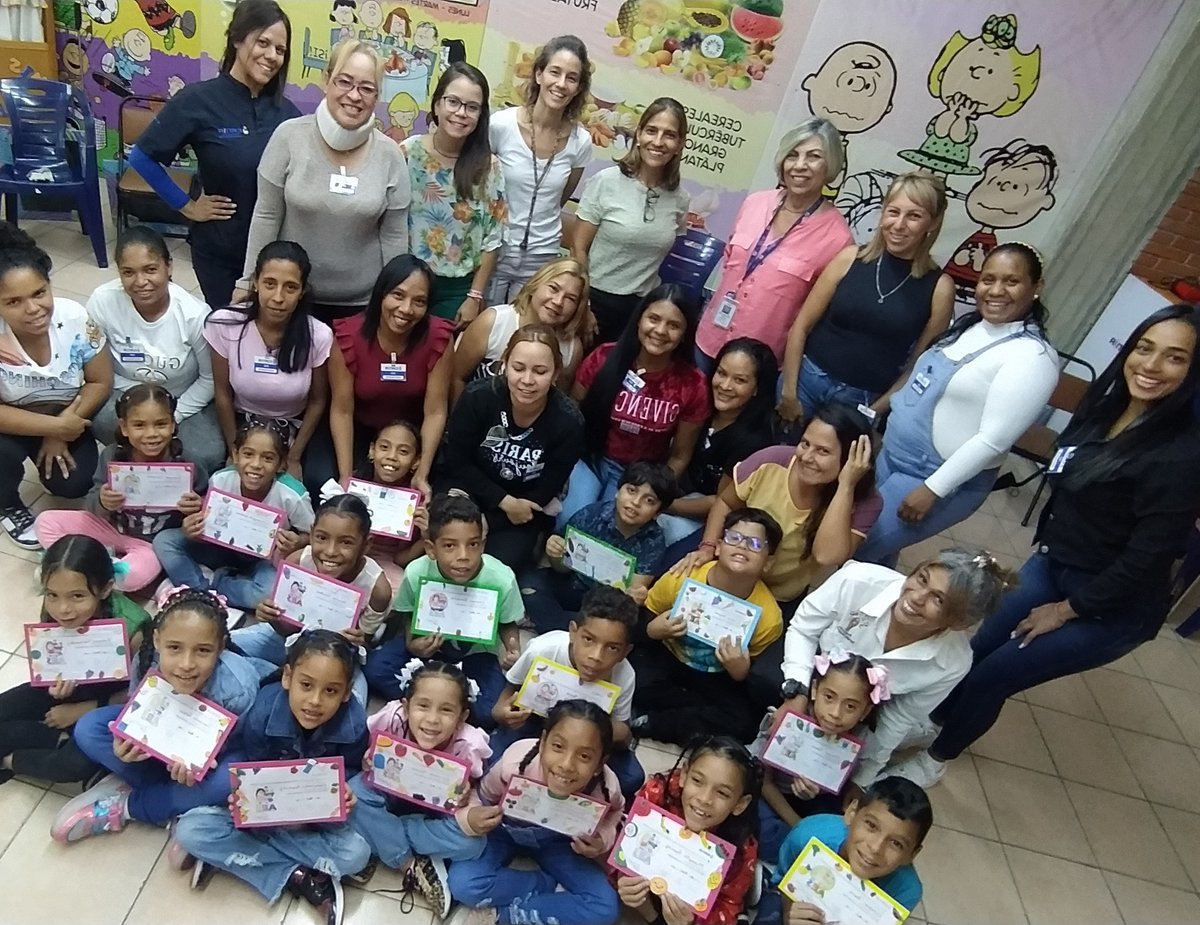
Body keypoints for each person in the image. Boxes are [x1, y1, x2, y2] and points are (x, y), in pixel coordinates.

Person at [894, 305, 1200, 787]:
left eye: (1175, 358)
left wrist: (1066, 610)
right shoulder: (1107, 408)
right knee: (978, 647)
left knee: (1000, 672)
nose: (1151, 365)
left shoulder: (1180, 457)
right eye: (1145, 348)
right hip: (1058, 563)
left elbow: (1144, 561)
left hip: (1111, 604)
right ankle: (933, 718)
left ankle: (936, 758)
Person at [855, 243, 1059, 566]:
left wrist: (933, 489)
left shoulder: (1032, 358)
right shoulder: (969, 328)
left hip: (932, 478)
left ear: (1037, 288)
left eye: (1011, 281)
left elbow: (994, 441)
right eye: (988, 279)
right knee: (876, 554)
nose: (996, 290)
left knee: (857, 545)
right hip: (893, 457)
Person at [172, 631, 370, 924]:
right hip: (268, 815)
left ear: (345, 693)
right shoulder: (262, 714)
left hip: (313, 819)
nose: (315, 701)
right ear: (287, 678)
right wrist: (244, 799)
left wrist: (346, 791)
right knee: (190, 830)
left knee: (358, 854)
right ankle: (299, 876)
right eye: (306, 685)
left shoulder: (353, 725)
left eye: (330, 691)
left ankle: (236, 858)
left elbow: (352, 770)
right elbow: (254, 770)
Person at [778, 549, 1016, 791]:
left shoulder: (953, 662)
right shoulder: (859, 580)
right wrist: (796, 690)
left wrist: (863, 778)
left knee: (839, 770)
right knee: (765, 683)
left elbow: (897, 718)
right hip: (812, 666)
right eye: (922, 578)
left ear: (959, 623)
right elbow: (803, 629)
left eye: (939, 600)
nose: (917, 597)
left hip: (864, 704)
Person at [53, 587, 261, 843]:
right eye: (174, 648)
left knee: (230, 778)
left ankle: (130, 806)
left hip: (218, 756)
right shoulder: (146, 660)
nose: (186, 664)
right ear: (157, 640)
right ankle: (178, 802)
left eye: (203, 651)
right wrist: (127, 747)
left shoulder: (238, 686)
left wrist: (201, 763)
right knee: (88, 727)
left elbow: (244, 742)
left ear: (220, 648)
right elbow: (137, 711)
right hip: (163, 749)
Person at [127, 0, 300, 306]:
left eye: (281, 50)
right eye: (263, 43)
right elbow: (142, 157)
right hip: (222, 254)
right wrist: (187, 206)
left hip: (274, 260)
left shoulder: (287, 113)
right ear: (237, 39)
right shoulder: (199, 100)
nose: (272, 56)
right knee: (229, 336)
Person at [240, 40, 410, 323]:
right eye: (345, 82)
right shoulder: (288, 137)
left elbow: (394, 236)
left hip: (362, 305)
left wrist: (392, 298)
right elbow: (266, 215)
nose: (354, 96)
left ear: (377, 96)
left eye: (367, 88)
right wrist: (248, 282)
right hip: (290, 300)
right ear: (326, 81)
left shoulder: (390, 154)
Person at [778, 173, 954, 422]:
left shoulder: (940, 288)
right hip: (805, 383)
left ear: (933, 223)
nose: (899, 224)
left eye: (914, 216)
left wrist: (874, 411)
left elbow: (918, 365)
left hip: (860, 400)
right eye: (893, 212)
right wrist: (788, 391)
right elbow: (801, 326)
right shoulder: (848, 259)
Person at [671, 404, 878, 608]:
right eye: (805, 443)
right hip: (727, 569)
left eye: (822, 451)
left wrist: (846, 486)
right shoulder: (771, 459)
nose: (806, 457)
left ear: (852, 459)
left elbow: (826, 556)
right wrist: (707, 547)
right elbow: (725, 502)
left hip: (777, 595)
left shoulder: (865, 501)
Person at [448, 700, 624, 925]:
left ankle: (505, 916)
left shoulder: (607, 787)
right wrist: (474, 814)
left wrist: (602, 840)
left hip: (560, 841)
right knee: (464, 884)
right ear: (542, 744)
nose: (567, 765)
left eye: (585, 757)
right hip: (504, 830)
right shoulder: (517, 762)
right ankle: (548, 886)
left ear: (601, 763)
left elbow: (616, 812)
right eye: (558, 747)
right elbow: (482, 793)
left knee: (606, 907)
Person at [695, 119, 854, 367]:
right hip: (708, 340)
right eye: (792, 155)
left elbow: (817, 313)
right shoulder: (755, 202)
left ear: (830, 165)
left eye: (813, 157)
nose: (800, 166)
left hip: (760, 362)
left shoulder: (838, 238)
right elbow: (729, 261)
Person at [349, 659, 497, 918]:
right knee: (353, 794)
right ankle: (409, 863)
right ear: (406, 707)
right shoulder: (391, 718)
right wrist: (368, 761)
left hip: (435, 808)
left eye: (446, 710)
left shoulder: (469, 743)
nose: (432, 720)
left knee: (473, 844)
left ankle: (384, 838)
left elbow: (470, 790)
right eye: (423, 706)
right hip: (391, 795)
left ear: (462, 717)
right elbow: (368, 760)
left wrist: (465, 797)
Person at [0, 536, 149, 786]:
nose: (63, 609)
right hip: (71, 688)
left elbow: (140, 694)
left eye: (77, 596)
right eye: (52, 595)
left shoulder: (134, 628)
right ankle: (56, 739)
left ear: (105, 588)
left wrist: (83, 709)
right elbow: (51, 662)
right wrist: (53, 684)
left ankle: (9, 761)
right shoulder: (55, 610)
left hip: (111, 702)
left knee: (71, 766)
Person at [362, 493, 522, 725]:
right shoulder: (417, 572)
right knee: (375, 669)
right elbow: (407, 613)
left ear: (483, 544)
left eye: (473, 544)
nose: (463, 556)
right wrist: (412, 643)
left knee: (491, 710)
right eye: (449, 546)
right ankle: (447, 704)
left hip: (476, 657)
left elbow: (508, 623)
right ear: (431, 548)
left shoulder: (502, 578)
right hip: (428, 651)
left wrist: (512, 648)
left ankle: (430, 701)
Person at [0, 224, 112, 548]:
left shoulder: (75, 317)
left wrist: (59, 430)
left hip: (64, 413)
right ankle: (7, 502)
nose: (34, 309)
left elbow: (100, 380)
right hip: (12, 423)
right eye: (14, 302)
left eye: (39, 293)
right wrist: (56, 426)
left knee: (74, 483)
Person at [437, 326, 585, 572]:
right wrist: (498, 502)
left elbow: (547, 488)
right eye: (518, 368)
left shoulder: (569, 422)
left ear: (556, 373)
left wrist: (499, 516)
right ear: (504, 363)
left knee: (497, 569)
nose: (527, 380)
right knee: (449, 556)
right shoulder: (477, 397)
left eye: (540, 371)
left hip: (522, 509)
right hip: (469, 488)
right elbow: (457, 461)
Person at [34, 384, 209, 592]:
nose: (151, 434)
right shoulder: (111, 456)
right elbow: (90, 504)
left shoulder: (188, 463)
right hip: (110, 528)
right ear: (124, 427)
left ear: (172, 425)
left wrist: (196, 508)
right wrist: (101, 501)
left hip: (150, 544)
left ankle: (85, 569)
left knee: (133, 577)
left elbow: (205, 506)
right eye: (139, 425)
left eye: (161, 424)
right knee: (45, 522)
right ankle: (90, 567)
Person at [559, 285, 708, 527]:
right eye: (654, 319)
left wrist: (654, 493)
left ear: (684, 333)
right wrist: (564, 465)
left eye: (673, 325)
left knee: (607, 529)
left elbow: (681, 455)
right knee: (569, 521)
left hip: (638, 477)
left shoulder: (693, 383)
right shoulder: (603, 357)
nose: (660, 331)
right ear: (639, 319)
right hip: (590, 459)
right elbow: (572, 412)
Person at [634, 508, 784, 744]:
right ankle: (685, 714)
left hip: (717, 677)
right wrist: (652, 630)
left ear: (768, 562)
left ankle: (655, 722)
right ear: (718, 546)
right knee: (633, 677)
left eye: (755, 544)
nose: (742, 547)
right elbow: (643, 617)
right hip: (669, 655)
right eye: (734, 538)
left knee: (745, 724)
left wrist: (740, 671)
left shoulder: (769, 617)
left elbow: (754, 675)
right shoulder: (682, 576)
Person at [87, 226, 224, 474]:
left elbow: (209, 379)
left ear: (168, 267)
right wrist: (140, 410)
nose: (140, 282)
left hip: (181, 398)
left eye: (150, 269)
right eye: (128, 272)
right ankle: (134, 468)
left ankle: (171, 473)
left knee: (208, 453)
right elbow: (99, 371)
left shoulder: (195, 314)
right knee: (101, 421)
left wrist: (170, 417)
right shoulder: (102, 301)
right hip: (125, 393)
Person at [491, 586, 645, 800]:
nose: (596, 656)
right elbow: (506, 696)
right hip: (536, 723)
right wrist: (503, 713)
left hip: (588, 741)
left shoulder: (624, 675)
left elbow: (622, 732)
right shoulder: (543, 649)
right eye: (588, 640)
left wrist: (602, 728)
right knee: (495, 760)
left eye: (612, 648)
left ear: (625, 652)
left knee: (632, 777)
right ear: (573, 632)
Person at [235, 494, 391, 705]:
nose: (330, 551)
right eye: (321, 537)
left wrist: (358, 640)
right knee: (222, 642)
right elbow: (286, 630)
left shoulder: (377, 589)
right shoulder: (299, 561)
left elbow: (366, 642)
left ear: (366, 544)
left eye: (346, 542)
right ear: (311, 533)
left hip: (338, 659)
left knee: (350, 707)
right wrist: (272, 617)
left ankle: (283, 679)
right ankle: (276, 675)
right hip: (290, 640)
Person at [320, 255, 453, 497]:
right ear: (381, 294)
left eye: (419, 301)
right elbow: (342, 410)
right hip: (360, 432)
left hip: (413, 437)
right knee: (322, 478)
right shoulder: (347, 335)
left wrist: (421, 473)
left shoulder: (438, 336)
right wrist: (346, 475)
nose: (406, 309)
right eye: (398, 295)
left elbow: (435, 411)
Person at [152, 421, 314, 611]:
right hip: (220, 547)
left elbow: (312, 535)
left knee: (268, 595)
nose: (256, 465)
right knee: (164, 541)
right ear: (236, 455)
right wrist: (193, 526)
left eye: (268, 458)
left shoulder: (293, 495)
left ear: (281, 464)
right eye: (248, 454)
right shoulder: (221, 479)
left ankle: (205, 589)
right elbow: (207, 519)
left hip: (263, 559)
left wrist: (297, 541)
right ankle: (202, 589)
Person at [206, 241, 334, 476]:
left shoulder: (319, 335)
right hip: (242, 422)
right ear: (255, 282)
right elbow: (222, 393)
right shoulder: (224, 324)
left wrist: (294, 456)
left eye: (290, 287)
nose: (278, 297)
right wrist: (235, 449)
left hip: (293, 425)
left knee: (314, 480)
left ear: (302, 291)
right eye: (269, 284)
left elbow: (317, 401)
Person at [572, 97, 690, 344]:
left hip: (642, 312)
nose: (658, 142)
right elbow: (578, 248)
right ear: (638, 135)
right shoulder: (606, 182)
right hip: (595, 302)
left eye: (669, 135)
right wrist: (584, 306)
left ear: (680, 144)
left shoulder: (680, 199)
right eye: (651, 131)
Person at [487, 35, 593, 302]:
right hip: (494, 251)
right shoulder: (500, 126)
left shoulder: (581, 142)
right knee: (481, 332)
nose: (561, 84)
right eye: (554, 72)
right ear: (538, 74)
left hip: (542, 259)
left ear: (579, 87)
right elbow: (482, 190)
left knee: (523, 337)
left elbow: (559, 200)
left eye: (571, 78)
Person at [753, 654, 889, 860]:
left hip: (820, 800)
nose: (835, 713)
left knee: (841, 836)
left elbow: (847, 793)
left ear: (865, 710)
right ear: (815, 690)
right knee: (764, 834)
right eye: (829, 697)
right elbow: (762, 779)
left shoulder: (862, 741)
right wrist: (798, 824)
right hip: (770, 792)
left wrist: (817, 801)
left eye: (850, 706)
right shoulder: (788, 721)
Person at [615, 736, 762, 925]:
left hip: (692, 911)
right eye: (698, 781)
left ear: (740, 804)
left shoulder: (742, 847)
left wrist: (691, 922)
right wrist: (623, 881)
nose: (704, 798)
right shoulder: (656, 794)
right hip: (647, 892)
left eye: (722, 793)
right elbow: (625, 849)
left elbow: (727, 906)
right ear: (684, 775)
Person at [404, 62, 507, 324]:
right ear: (437, 104)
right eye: (453, 102)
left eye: (472, 107)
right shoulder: (407, 153)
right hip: (406, 280)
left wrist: (474, 296)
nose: (461, 113)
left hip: (457, 289)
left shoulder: (488, 167)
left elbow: (493, 238)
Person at [522, 461, 675, 633]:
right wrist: (555, 554)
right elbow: (562, 569)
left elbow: (628, 599)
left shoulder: (653, 541)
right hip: (574, 584)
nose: (636, 502)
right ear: (618, 491)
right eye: (631, 491)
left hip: (609, 605)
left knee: (626, 625)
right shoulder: (592, 514)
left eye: (649, 500)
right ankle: (577, 629)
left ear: (658, 512)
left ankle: (563, 627)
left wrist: (635, 595)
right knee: (528, 583)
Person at [658, 337, 779, 546]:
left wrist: (666, 505)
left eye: (739, 380)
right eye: (721, 373)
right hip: (677, 492)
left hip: (711, 517)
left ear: (757, 388)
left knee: (658, 530)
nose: (725, 386)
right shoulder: (700, 405)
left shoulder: (754, 441)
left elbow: (721, 501)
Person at [762, 777, 929, 925]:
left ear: (911, 855)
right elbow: (784, 879)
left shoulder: (906, 891)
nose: (876, 848)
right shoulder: (807, 836)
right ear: (851, 813)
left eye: (896, 843)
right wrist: (789, 910)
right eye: (871, 825)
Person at [452, 257, 588, 398]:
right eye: (553, 289)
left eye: (570, 298)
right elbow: (457, 377)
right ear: (535, 285)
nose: (558, 302)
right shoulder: (493, 321)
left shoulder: (571, 349)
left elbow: (559, 399)